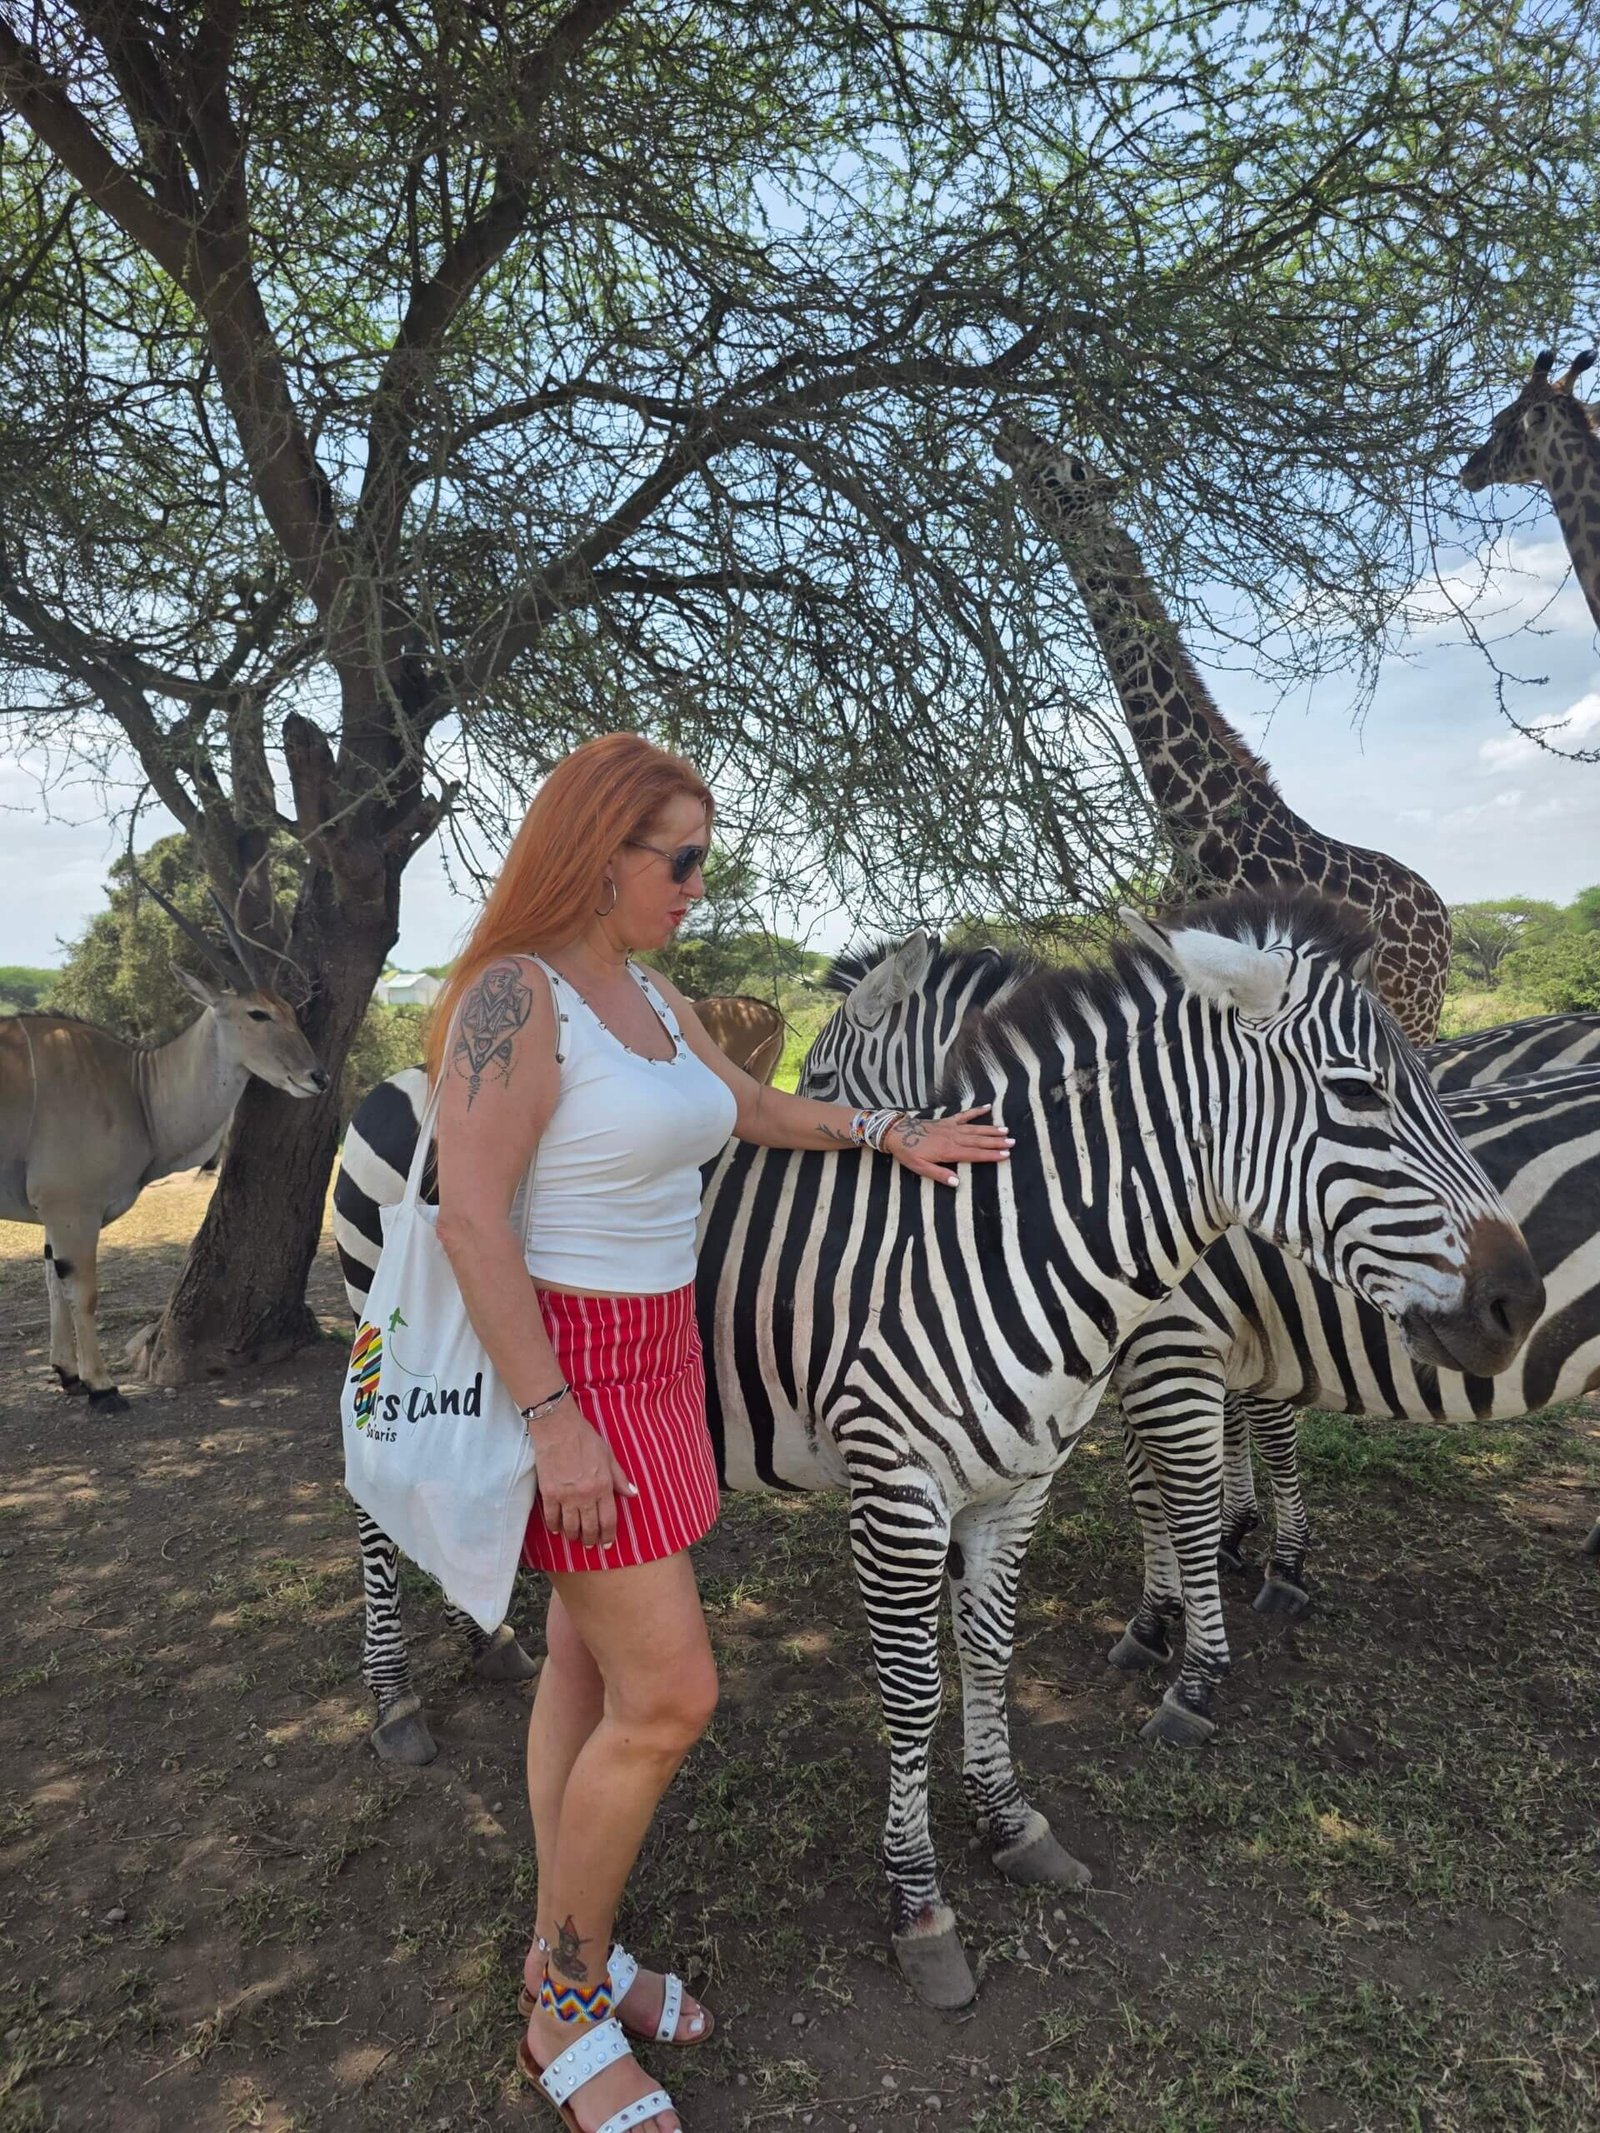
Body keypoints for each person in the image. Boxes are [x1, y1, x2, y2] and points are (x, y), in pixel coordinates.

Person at [429, 734, 1010, 2133]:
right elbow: (470, 1221)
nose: (698, 884)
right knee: (672, 1695)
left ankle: (568, 1939)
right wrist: (556, 1424)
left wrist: (889, 1132)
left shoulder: (646, 989)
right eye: (680, 859)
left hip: (662, 1359)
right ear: (599, 852)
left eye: (704, 859)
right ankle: (564, 2006)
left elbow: (747, 1108)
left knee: (588, 1661)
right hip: (576, 1372)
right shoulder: (517, 995)